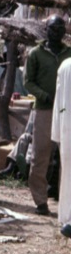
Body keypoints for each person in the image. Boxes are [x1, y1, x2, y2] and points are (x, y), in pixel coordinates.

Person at [24, 16, 71, 215]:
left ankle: (65, 201)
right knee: (40, 156)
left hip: (66, 110)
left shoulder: (69, 53)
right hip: (44, 109)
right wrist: (45, 95)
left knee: (66, 155)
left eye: (61, 28)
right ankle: (40, 201)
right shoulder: (35, 53)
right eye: (53, 28)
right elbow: (28, 82)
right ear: (46, 29)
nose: (57, 32)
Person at [53, 59, 71, 235]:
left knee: (67, 174)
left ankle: (66, 216)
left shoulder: (65, 65)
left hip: (67, 128)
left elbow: (58, 104)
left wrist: (57, 132)